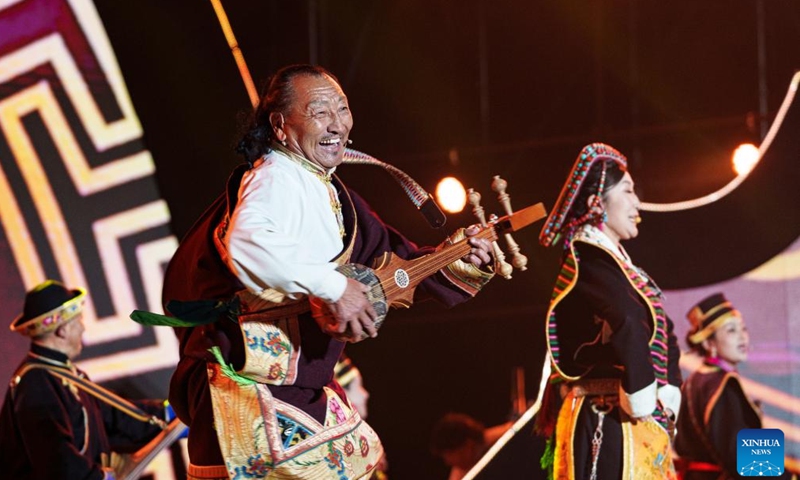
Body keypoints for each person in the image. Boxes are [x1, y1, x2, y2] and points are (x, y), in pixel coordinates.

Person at [161, 64, 495, 479]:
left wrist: (459, 257)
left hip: (298, 386)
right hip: (248, 386)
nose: (337, 123)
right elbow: (247, 245)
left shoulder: (334, 192)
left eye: (343, 109)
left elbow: (395, 263)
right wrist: (333, 286)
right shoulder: (275, 178)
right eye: (321, 112)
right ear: (281, 127)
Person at [535, 143, 683, 479]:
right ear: (595, 203)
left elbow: (664, 330)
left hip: (623, 417)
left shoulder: (616, 266)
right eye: (628, 191)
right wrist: (647, 401)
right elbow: (627, 320)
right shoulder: (589, 258)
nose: (637, 203)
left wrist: (666, 398)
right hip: (605, 415)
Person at [0, 280, 168, 480]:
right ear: (62, 330)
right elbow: (56, 458)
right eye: (77, 321)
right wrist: (97, 477)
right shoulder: (34, 383)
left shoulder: (65, 374)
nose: (82, 328)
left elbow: (114, 417)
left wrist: (166, 414)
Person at [673, 293, 770, 479]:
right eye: (731, 330)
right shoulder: (723, 384)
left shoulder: (695, 380)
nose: (742, 337)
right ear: (709, 343)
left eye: (744, 329)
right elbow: (739, 455)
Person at [430, 412, 512, 480]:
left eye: (449, 454)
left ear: (467, 444)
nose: (448, 462)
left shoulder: (507, 437)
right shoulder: (459, 475)